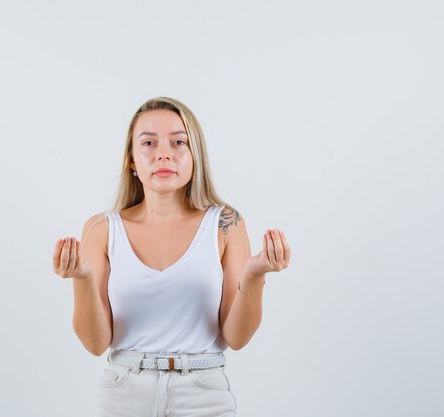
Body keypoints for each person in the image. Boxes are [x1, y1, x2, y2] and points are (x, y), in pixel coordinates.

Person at [52, 96, 291, 417]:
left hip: (204, 393)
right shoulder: (101, 229)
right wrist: (82, 278)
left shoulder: (225, 223)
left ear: (195, 156)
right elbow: (96, 343)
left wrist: (255, 274)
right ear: (132, 160)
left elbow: (236, 337)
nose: (164, 153)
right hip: (124, 392)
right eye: (149, 143)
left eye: (179, 142)